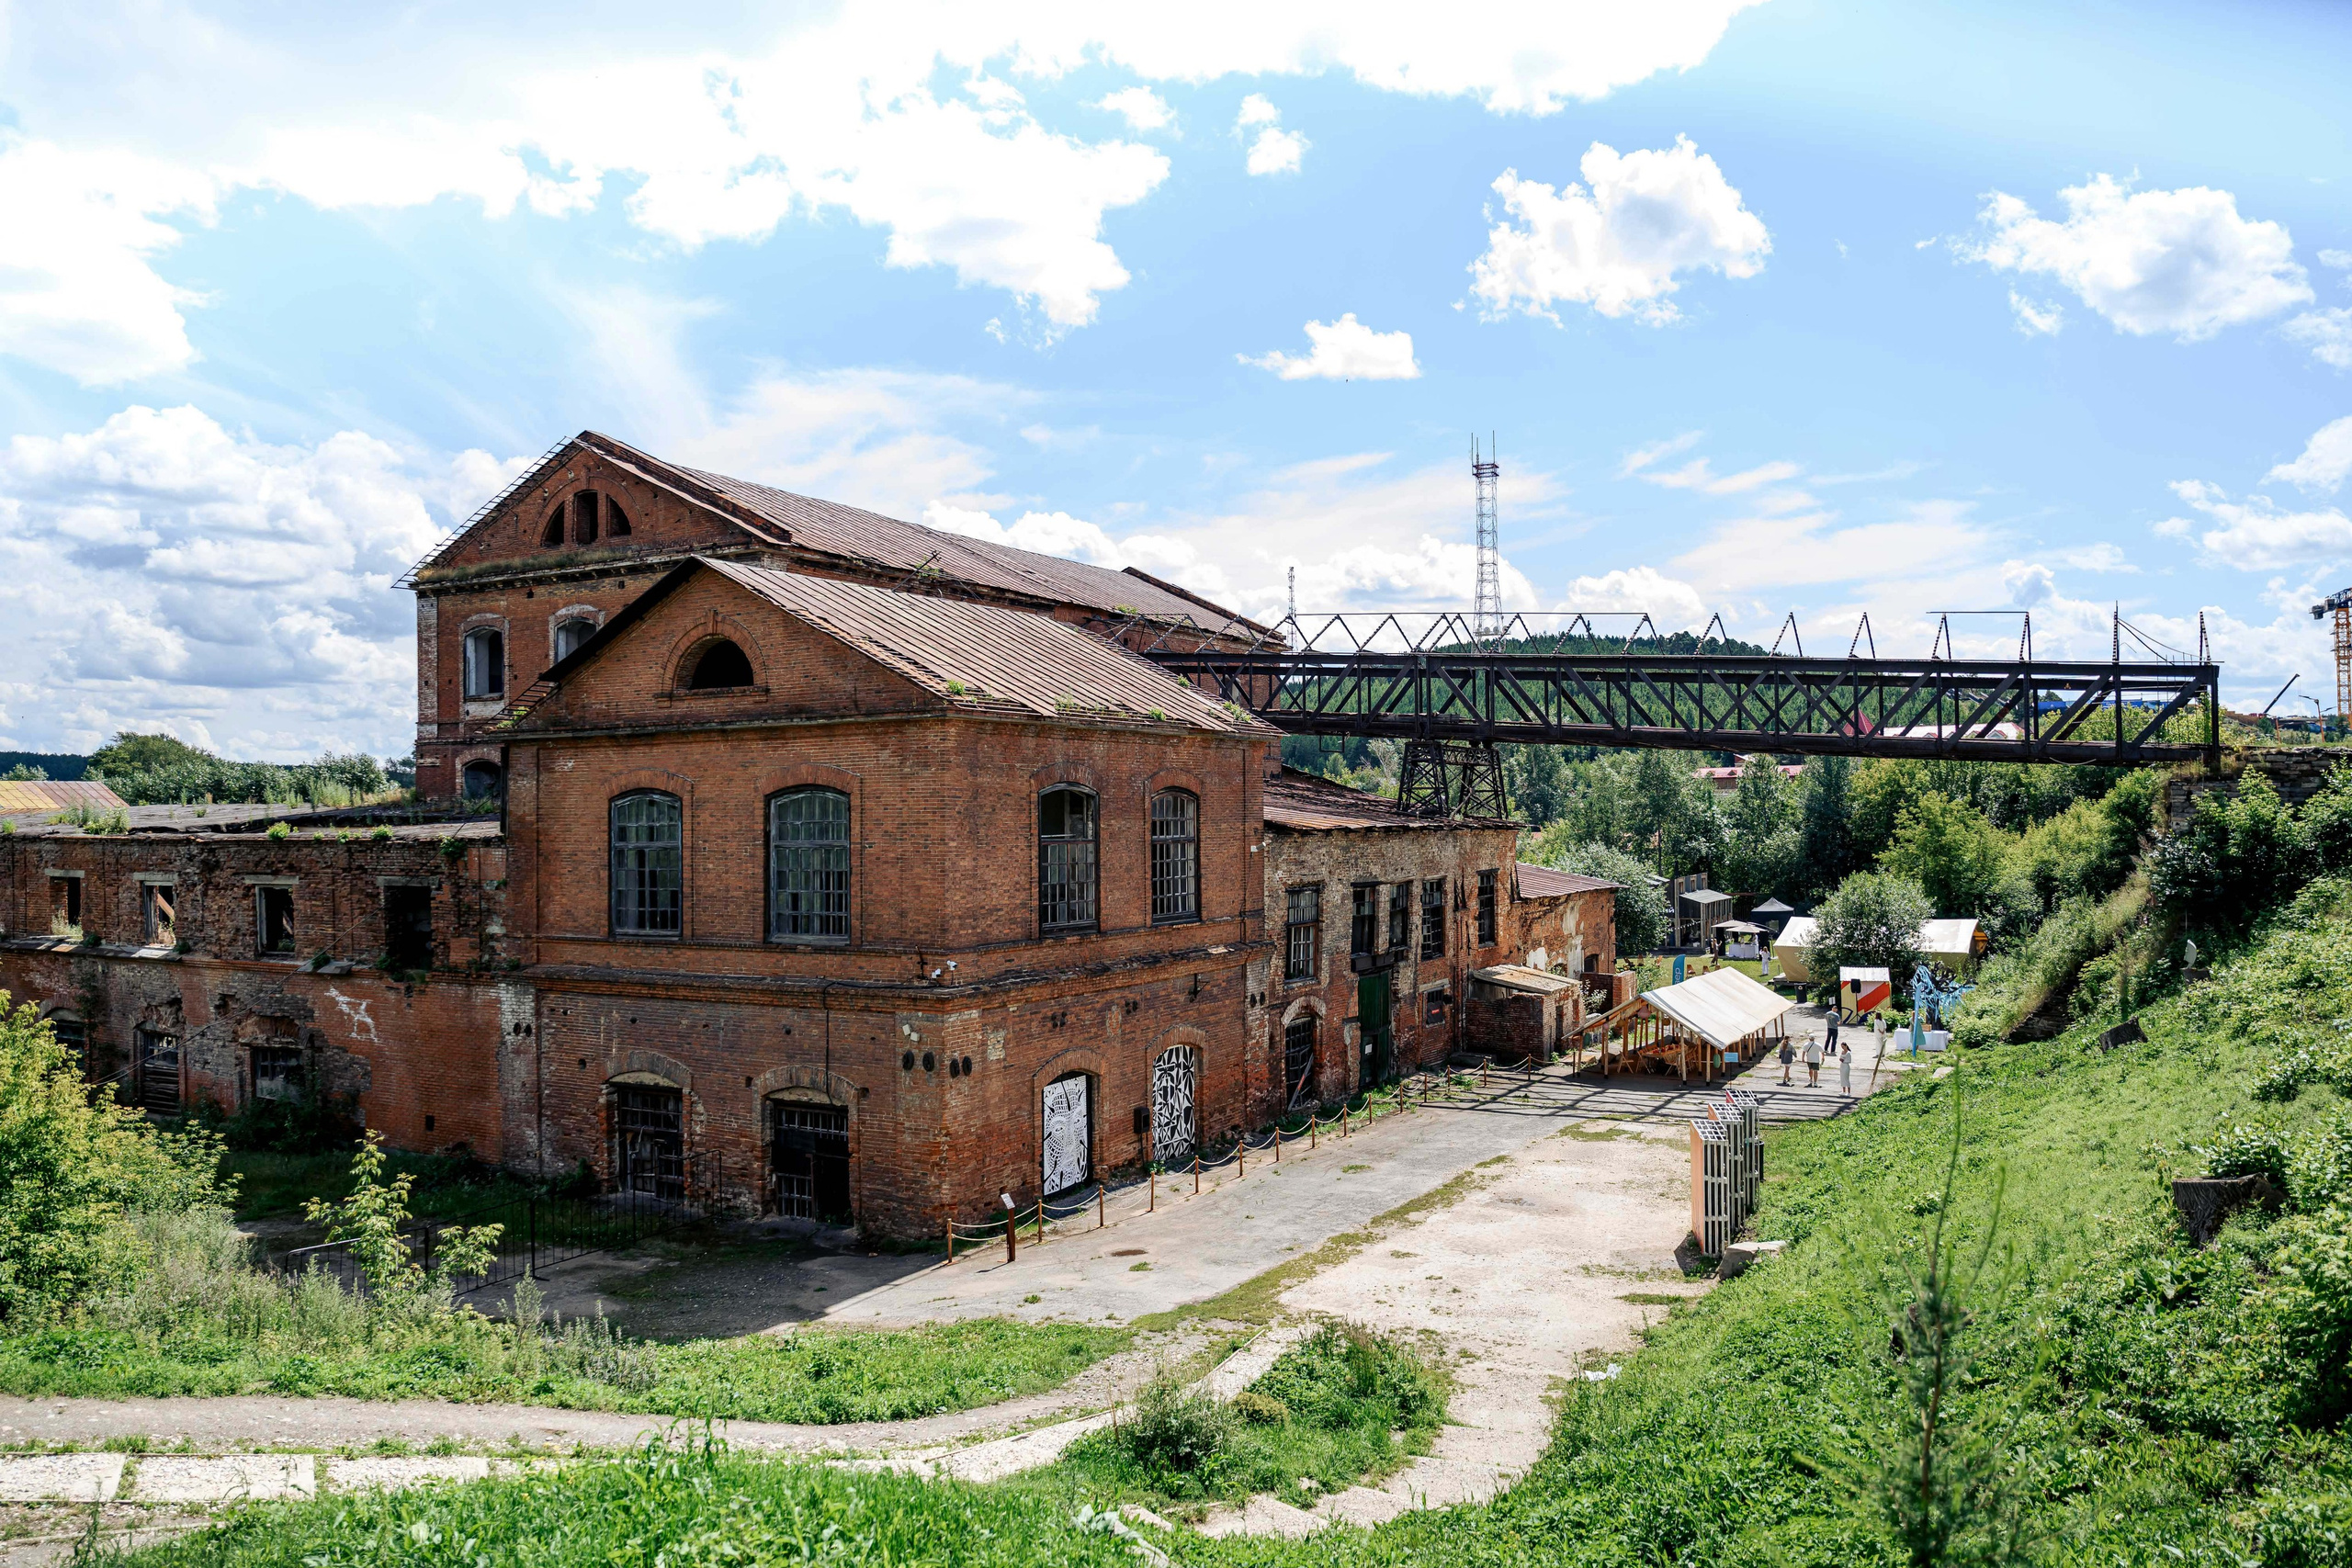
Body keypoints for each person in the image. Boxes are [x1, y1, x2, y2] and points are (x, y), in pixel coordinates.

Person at [1838, 1028, 1853, 1095]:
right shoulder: (1842, 1052)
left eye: (1843, 1047)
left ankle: (1849, 1092)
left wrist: (1844, 1060)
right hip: (1842, 1066)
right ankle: (1843, 1091)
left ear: (1846, 1046)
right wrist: (1841, 1059)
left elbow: (1849, 1060)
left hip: (1846, 1066)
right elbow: (1841, 1057)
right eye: (1842, 1047)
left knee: (1846, 1078)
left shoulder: (1848, 1053)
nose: (1843, 1048)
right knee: (1842, 1078)